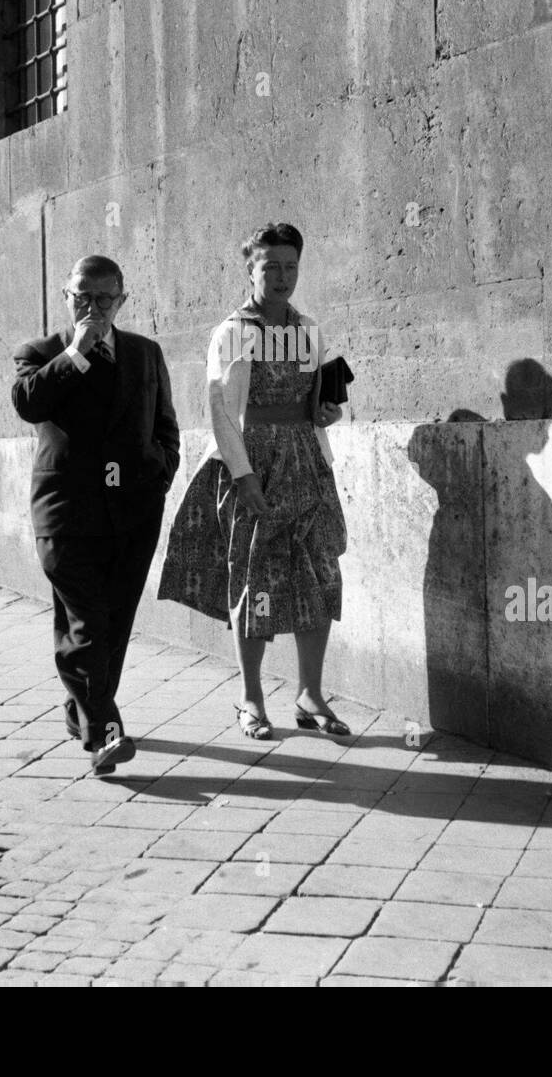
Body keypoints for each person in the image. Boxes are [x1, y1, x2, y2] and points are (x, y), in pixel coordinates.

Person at [158, 223, 350, 740]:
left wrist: (326, 411)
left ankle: (310, 695)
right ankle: (250, 697)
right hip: (254, 462)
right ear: (250, 269)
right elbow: (220, 410)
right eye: (270, 267)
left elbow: (318, 405)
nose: (282, 276)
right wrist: (242, 476)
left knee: (320, 576)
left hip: (306, 463)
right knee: (254, 579)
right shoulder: (232, 332)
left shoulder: (309, 329)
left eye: (290, 266)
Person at [11, 255, 180, 775]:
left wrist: (161, 473)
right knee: (87, 624)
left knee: (112, 624)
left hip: (132, 512)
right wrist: (76, 354)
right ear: (67, 296)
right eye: (82, 297)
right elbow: (27, 403)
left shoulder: (146, 353)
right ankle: (104, 735)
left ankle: (80, 708)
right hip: (66, 514)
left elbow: (166, 425)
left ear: (122, 300)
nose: (92, 307)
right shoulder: (40, 352)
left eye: (104, 298)